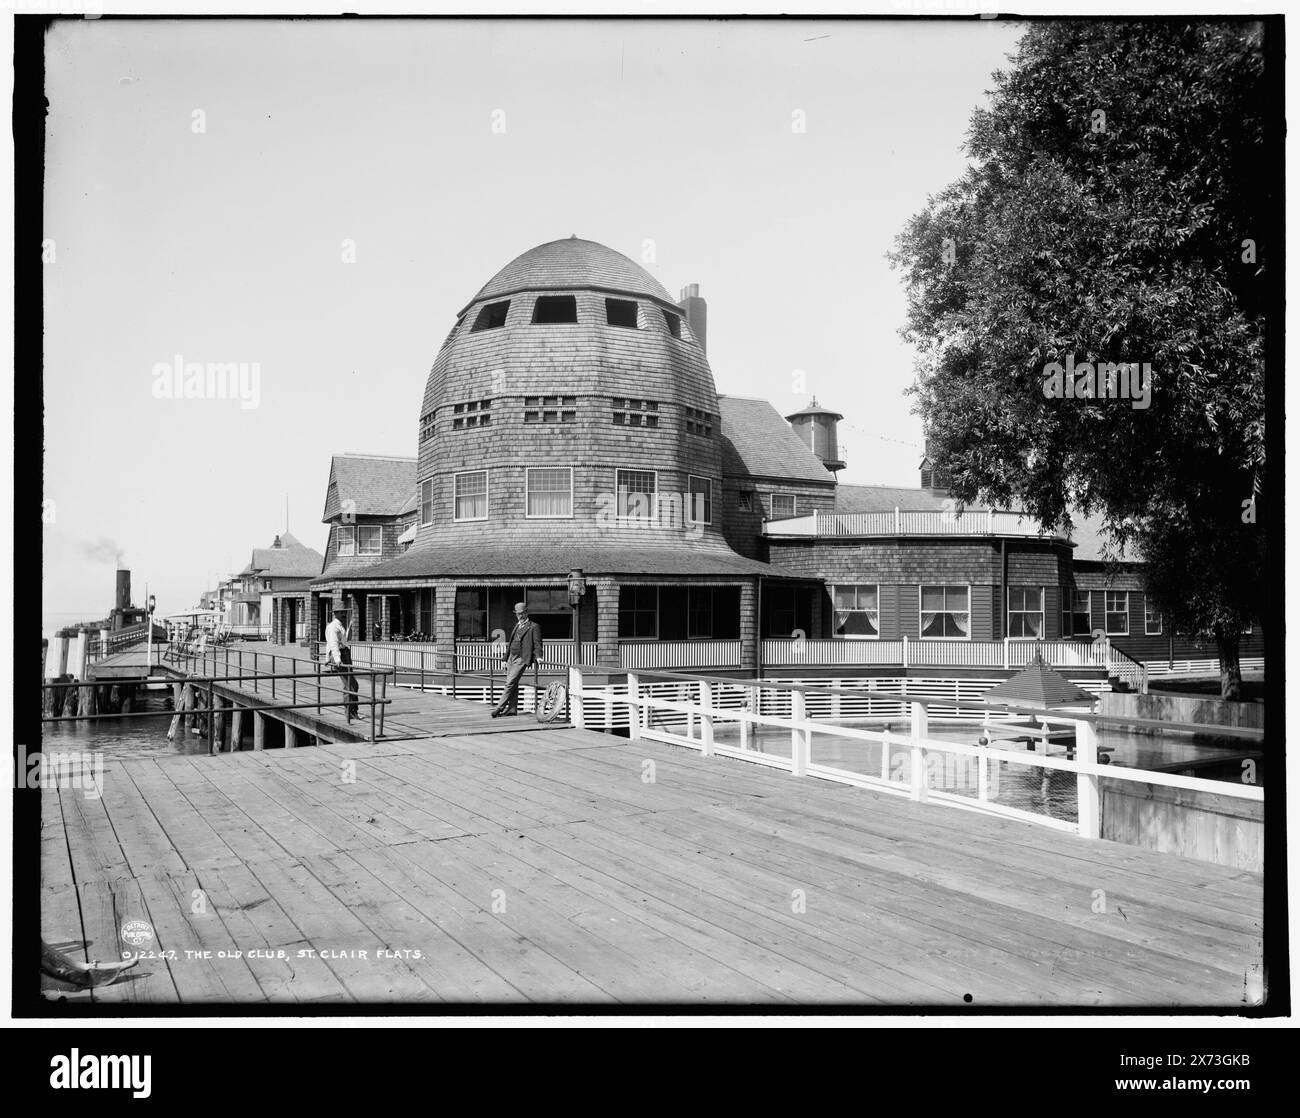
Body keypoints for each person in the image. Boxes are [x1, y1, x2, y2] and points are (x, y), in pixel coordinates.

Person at [491, 601, 543, 717]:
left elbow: (537, 643)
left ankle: (499, 707)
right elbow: (510, 643)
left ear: (526, 613)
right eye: (518, 614)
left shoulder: (533, 626)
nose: (520, 615)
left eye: (522, 613)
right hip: (511, 658)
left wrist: (539, 656)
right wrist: (505, 659)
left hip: (521, 658)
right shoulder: (516, 625)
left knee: (509, 683)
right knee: (513, 684)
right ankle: (512, 709)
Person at [324, 604, 359, 722]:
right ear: (336, 613)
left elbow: (337, 642)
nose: (344, 614)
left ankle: (352, 711)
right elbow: (333, 643)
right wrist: (337, 658)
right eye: (341, 612)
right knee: (349, 685)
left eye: (345, 612)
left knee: (352, 684)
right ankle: (349, 712)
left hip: (344, 652)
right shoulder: (333, 627)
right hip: (340, 654)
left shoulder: (340, 626)